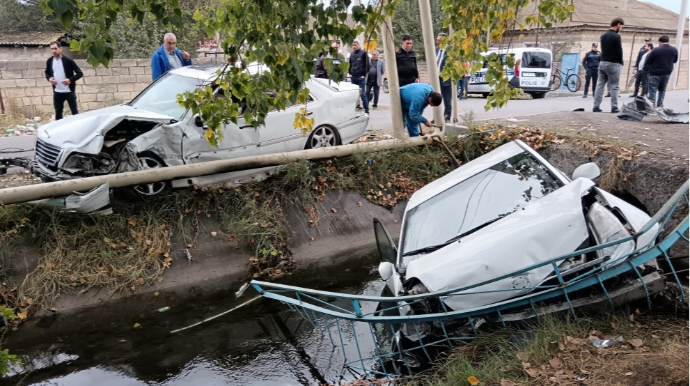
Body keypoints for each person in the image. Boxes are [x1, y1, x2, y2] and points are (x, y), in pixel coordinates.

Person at [45, 41, 83, 120]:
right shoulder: (50, 61)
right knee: (58, 114)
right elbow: (47, 73)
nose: (53, 51)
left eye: (55, 48)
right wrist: (49, 79)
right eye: (52, 49)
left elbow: (80, 73)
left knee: (75, 113)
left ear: (60, 49)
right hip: (57, 92)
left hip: (69, 91)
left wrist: (70, 80)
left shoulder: (68, 60)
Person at [593, 17, 624, 113]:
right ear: (618, 25)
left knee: (600, 85)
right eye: (621, 26)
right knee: (614, 85)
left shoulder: (603, 36)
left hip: (602, 62)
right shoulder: (617, 36)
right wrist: (620, 62)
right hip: (613, 63)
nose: (621, 28)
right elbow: (619, 51)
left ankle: (596, 106)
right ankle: (614, 107)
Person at [644, 35, 678, 108]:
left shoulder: (656, 50)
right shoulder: (674, 49)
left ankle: (651, 107)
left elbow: (648, 61)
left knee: (652, 90)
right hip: (666, 73)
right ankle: (660, 106)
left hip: (654, 73)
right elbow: (675, 60)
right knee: (662, 90)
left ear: (660, 42)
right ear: (668, 41)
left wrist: (646, 69)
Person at [348, 39, 370, 115]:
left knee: (362, 94)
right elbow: (350, 64)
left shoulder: (363, 53)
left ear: (359, 45)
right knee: (354, 94)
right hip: (353, 77)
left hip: (361, 78)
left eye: (355, 45)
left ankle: (367, 110)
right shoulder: (352, 54)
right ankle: (356, 109)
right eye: (353, 45)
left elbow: (367, 65)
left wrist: (364, 75)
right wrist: (350, 73)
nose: (354, 46)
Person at [435, 33, 452, 122]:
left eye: (439, 40)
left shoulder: (450, 51)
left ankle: (447, 116)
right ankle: (437, 116)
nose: (437, 42)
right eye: (437, 40)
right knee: (436, 98)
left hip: (445, 78)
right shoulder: (436, 49)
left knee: (447, 98)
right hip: (436, 78)